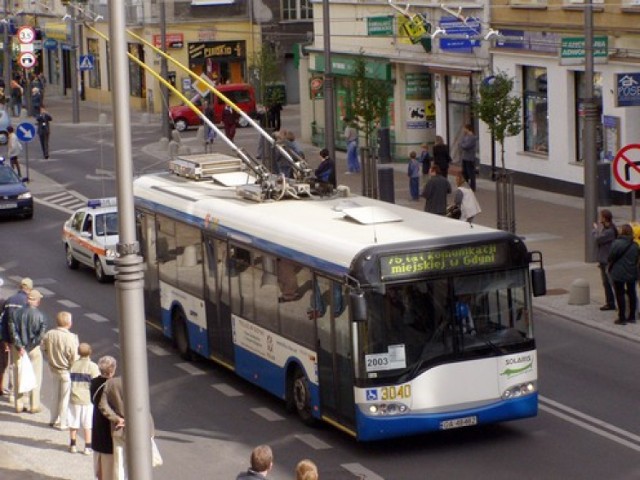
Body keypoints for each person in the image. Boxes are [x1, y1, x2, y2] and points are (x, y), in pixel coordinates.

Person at [99, 375, 156, 479]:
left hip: (119, 428)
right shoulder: (139, 381)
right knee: (141, 462)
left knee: (120, 462)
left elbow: (103, 405)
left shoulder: (111, 383)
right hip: (141, 427)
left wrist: (116, 418)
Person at [9, 288, 48, 413]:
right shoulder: (41, 316)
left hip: (18, 349)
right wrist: (29, 347)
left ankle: (19, 404)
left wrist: (20, 347)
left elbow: (13, 332)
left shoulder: (15, 314)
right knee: (36, 376)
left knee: (18, 374)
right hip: (33, 349)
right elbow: (40, 335)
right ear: (37, 301)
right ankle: (34, 405)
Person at [41, 311, 79, 430]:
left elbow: (44, 348)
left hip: (53, 368)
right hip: (66, 370)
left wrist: (50, 356)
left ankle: (53, 419)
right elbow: (73, 356)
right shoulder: (71, 337)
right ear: (69, 323)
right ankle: (62, 422)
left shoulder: (49, 334)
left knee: (55, 394)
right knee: (64, 397)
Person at [0, 277, 32, 400]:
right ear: (29, 289)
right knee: (22, 365)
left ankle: (13, 391)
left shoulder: (9, 300)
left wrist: (6, 340)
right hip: (23, 339)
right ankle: (21, 394)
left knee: (13, 365)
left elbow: (4, 321)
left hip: (11, 338)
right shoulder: (27, 302)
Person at [68, 343, 100, 455]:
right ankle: (87, 446)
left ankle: (73, 445)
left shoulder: (73, 365)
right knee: (87, 424)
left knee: (73, 421)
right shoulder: (93, 366)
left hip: (74, 397)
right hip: (87, 398)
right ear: (90, 352)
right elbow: (96, 382)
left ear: (78, 353)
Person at [91, 355, 117, 480]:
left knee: (99, 464)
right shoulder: (113, 386)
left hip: (97, 426)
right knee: (110, 468)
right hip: (109, 429)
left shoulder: (94, 383)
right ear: (112, 370)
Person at [607, 223, 639, 325]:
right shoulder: (635, 245)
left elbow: (610, 256)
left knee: (620, 294)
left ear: (622, 232)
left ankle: (622, 317)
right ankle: (632, 316)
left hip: (618, 272)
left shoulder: (616, 243)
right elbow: (636, 259)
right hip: (631, 271)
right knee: (632, 293)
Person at [593, 209, 617, 312]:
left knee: (610, 282)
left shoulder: (610, 231)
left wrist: (595, 230)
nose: (600, 218)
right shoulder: (608, 228)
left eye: (601, 216)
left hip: (607, 260)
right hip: (604, 259)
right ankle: (610, 302)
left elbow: (598, 239)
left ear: (604, 218)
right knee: (606, 283)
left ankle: (613, 303)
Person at [459, 124, 477, 191]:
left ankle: (473, 187)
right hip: (464, 157)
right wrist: (462, 144)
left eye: (465, 128)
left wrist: (462, 145)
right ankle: (466, 185)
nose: (464, 130)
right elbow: (460, 143)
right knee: (464, 172)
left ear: (468, 129)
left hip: (470, 157)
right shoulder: (465, 136)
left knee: (471, 172)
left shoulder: (472, 137)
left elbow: (466, 146)